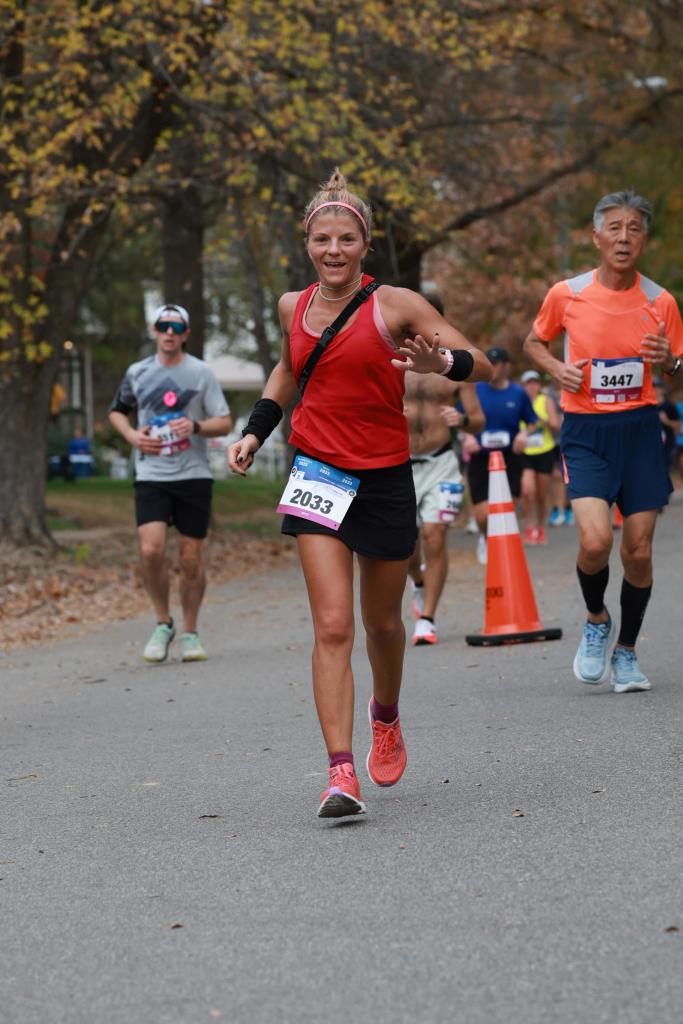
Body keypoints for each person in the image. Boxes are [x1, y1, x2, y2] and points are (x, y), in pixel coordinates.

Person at [228, 169, 492, 819]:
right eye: (322, 239)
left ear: (364, 243)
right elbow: (291, 369)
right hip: (317, 470)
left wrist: (441, 365)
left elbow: (480, 361)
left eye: (346, 239)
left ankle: (386, 714)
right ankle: (339, 773)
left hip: (384, 476)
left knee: (381, 624)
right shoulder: (293, 305)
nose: (333, 250)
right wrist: (255, 432)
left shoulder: (395, 305)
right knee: (334, 625)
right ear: (307, 243)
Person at [523, 189, 683, 693]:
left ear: (644, 239)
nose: (623, 236)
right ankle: (596, 619)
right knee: (595, 541)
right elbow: (534, 342)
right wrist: (555, 368)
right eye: (614, 227)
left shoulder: (661, 302)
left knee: (637, 551)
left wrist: (668, 361)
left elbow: (677, 370)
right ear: (596, 237)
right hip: (585, 431)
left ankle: (628, 652)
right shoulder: (566, 293)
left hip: (639, 431)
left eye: (634, 228)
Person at [109, 302, 232, 663]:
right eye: (163, 326)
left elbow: (224, 421)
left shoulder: (201, 373)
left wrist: (194, 427)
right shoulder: (138, 372)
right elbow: (117, 411)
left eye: (176, 328)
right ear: (154, 330)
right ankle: (163, 622)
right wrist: (132, 436)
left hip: (193, 475)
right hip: (152, 474)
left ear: (186, 335)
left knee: (191, 558)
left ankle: (191, 632)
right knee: (150, 550)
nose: (169, 333)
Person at [404, 358, 485, 645]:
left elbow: (478, 420)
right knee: (406, 546)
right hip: (400, 464)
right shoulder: (390, 360)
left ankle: (427, 619)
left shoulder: (452, 368)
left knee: (434, 536)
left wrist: (462, 420)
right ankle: (419, 580)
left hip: (442, 463)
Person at [462, 346, 537, 565]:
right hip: (481, 458)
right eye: (489, 363)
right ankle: (485, 538)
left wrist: (523, 434)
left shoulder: (518, 393)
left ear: (507, 367)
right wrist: (466, 438)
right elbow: (461, 420)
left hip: (508, 458)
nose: (492, 368)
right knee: (483, 515)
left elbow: (531, 422)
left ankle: (503, 551)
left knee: (507, 509)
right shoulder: (475, 390)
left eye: (496, 364)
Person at [519, 370, 562, 544]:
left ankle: (541, 527)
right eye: (529, 383)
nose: (532, 386)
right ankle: (529, 526)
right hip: (525, 451)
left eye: (535, 382)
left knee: (542, 495)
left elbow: (555, 425)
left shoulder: (546, 401)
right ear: (524, 385)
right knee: (527, 490)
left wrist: (540, 421)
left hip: (544, 450)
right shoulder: (519, 400)